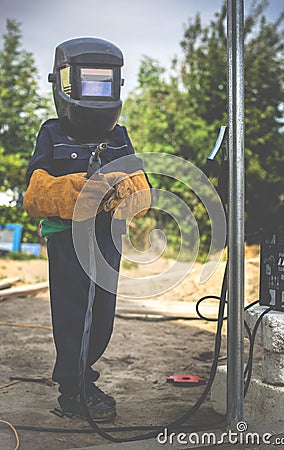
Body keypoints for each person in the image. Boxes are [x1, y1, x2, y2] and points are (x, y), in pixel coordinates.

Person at [23, 37, 151, 422]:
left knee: (102, 314)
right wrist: (67, 190)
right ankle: (72, 389)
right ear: (63, 84)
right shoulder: (51, 132)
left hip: (107, 238)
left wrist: (128, 189)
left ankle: (85, 378)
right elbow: (34, 192)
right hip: (67, 238)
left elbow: (140, 188)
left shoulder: (118, 136)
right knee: (72, 311)